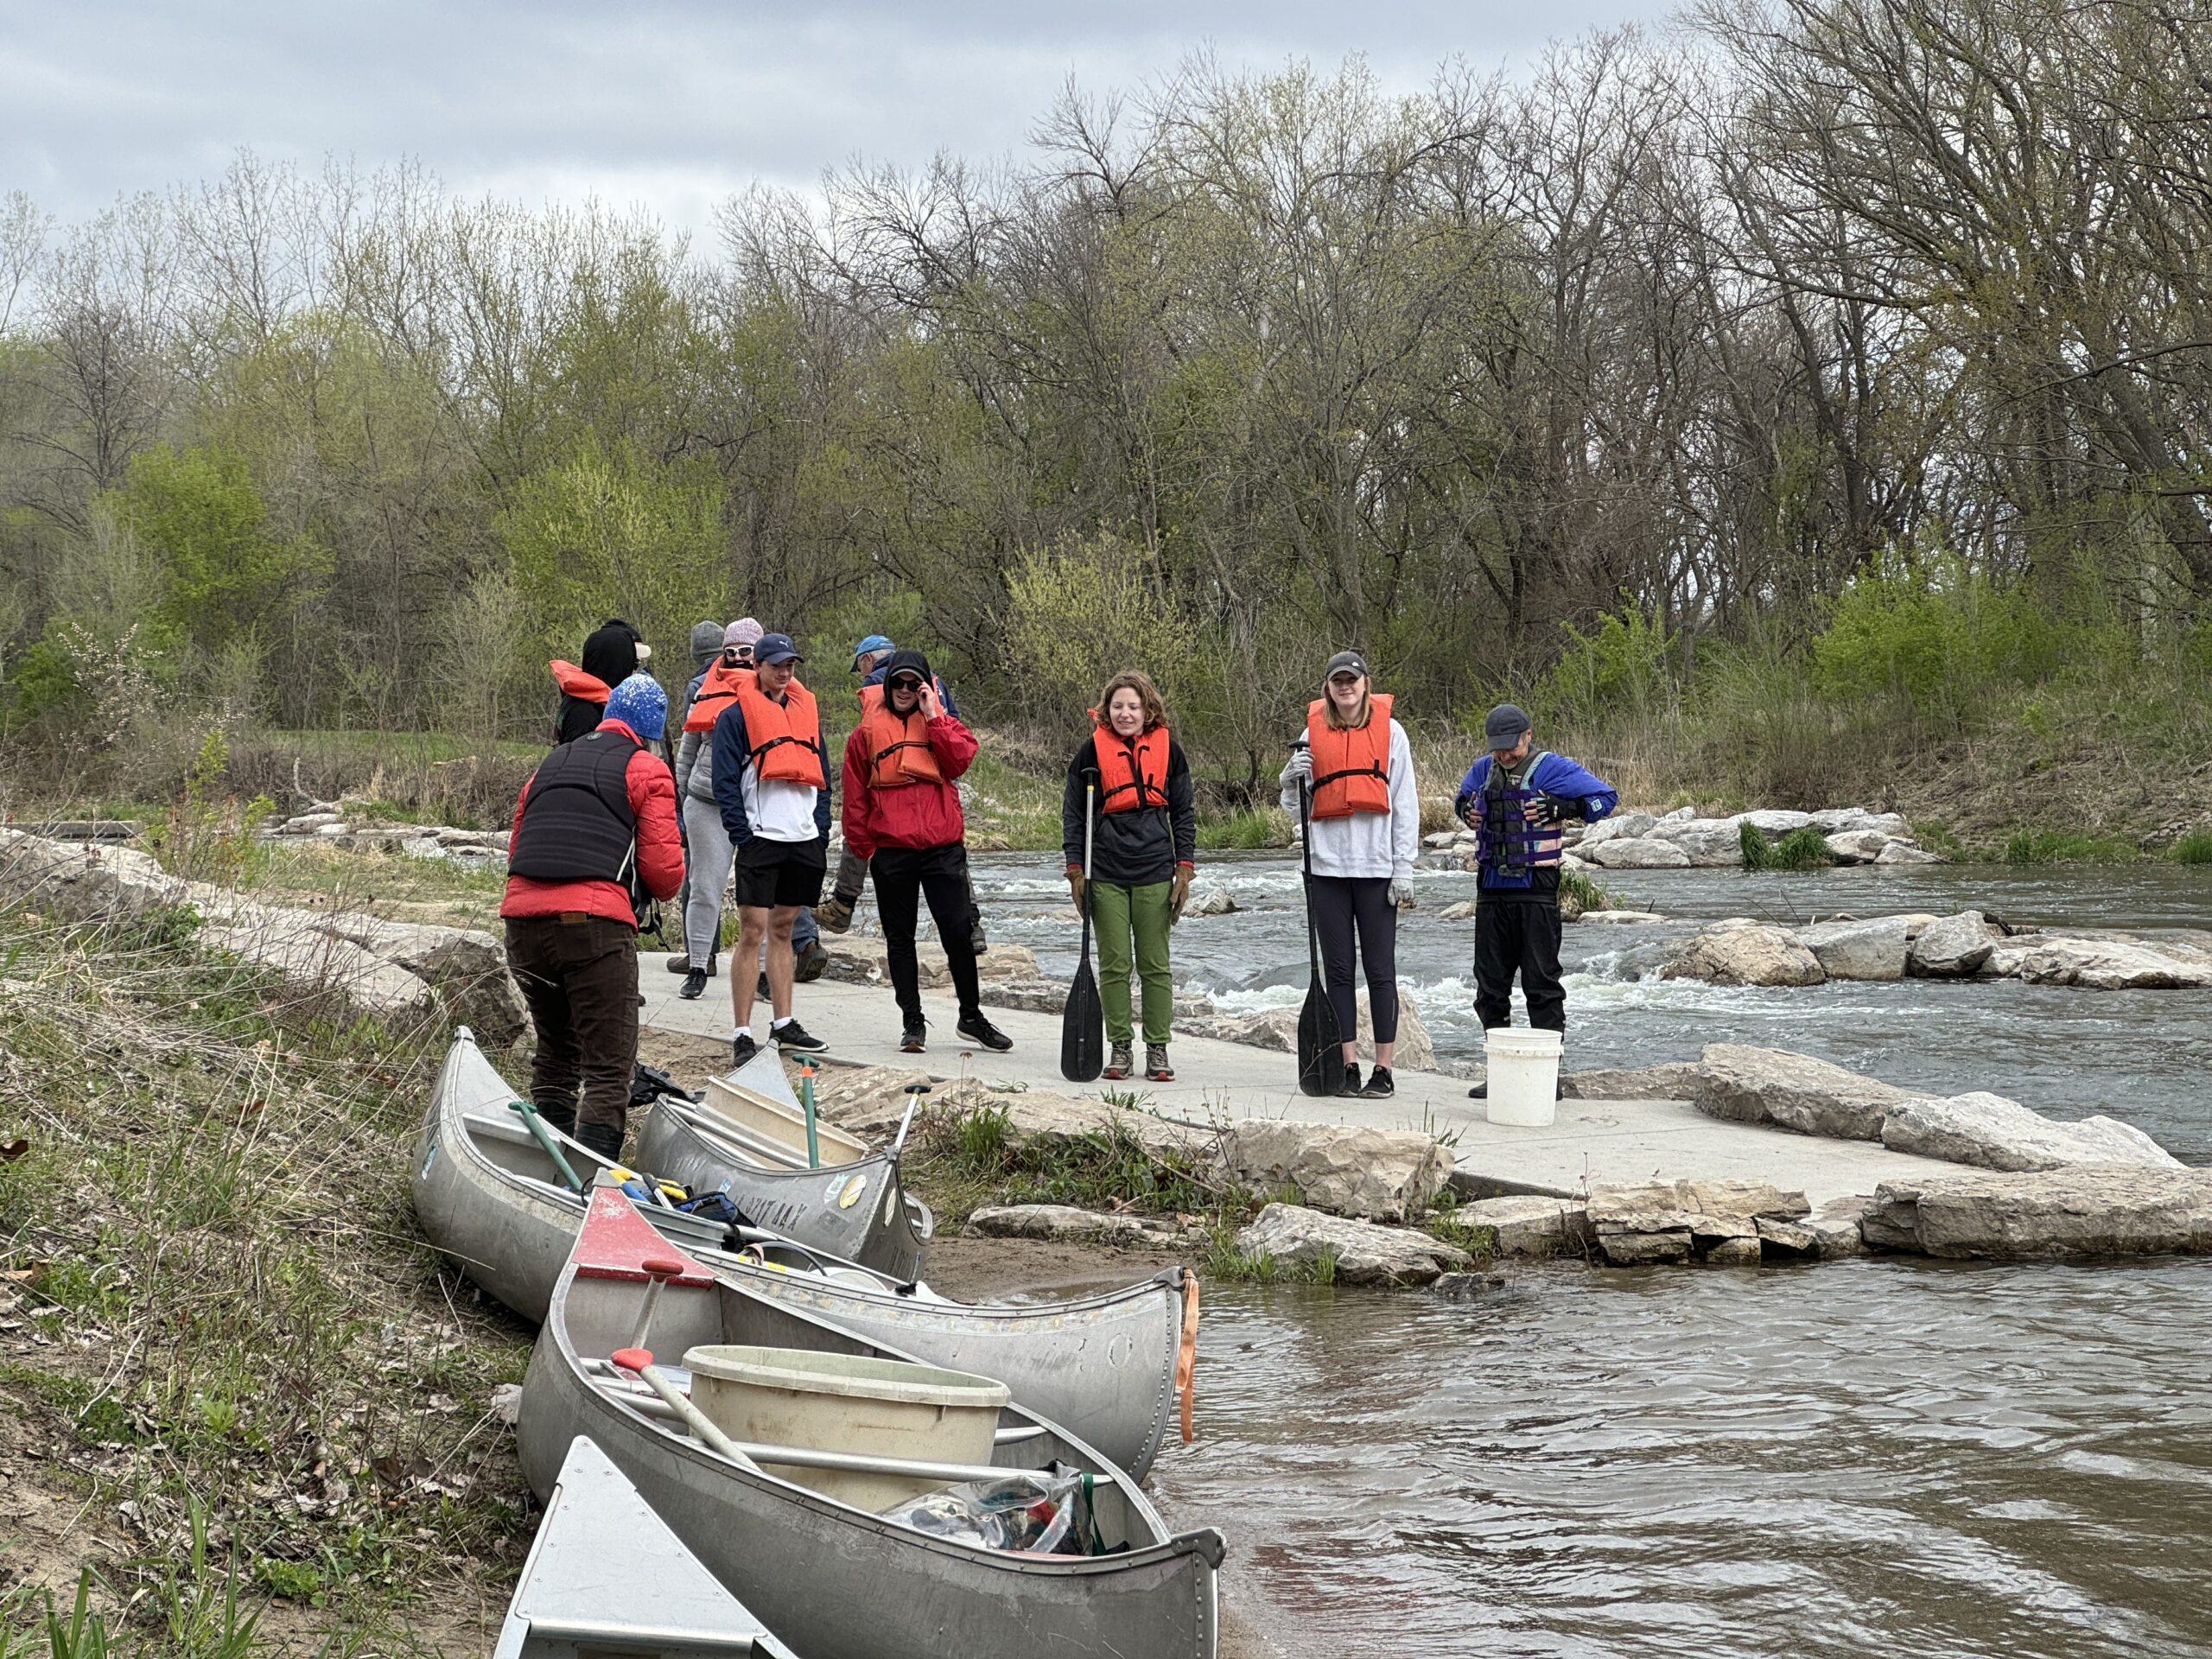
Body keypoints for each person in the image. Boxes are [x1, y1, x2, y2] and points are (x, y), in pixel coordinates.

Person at [501, 671, 683, 1160]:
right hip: (593, 927)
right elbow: (665, 876)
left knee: (557, 1051)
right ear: (652, 730)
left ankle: (547, 1165)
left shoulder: (549, 764)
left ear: (608, 717)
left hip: (521, 924)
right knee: (607, 1067)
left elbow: (518, 849)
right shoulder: (647, 769)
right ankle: (588, 1180)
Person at [840, 649, 1012, 1054]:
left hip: (942, 850)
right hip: (892, 851)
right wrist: (867, 850)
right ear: (887, 685)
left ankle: (970, 1017)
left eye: (911, 684)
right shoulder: (863, 734)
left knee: (959, 934)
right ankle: (912, 1022)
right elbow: (855, 801)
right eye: (897, 683)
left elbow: (959, 761)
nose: (903, 690)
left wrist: (933, 714)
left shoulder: (943, 722)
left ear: (924, 686)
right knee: (900, 939)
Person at [1452, 703, 1618, 1099]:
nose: (1505, 755)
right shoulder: (1482, 770)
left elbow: (1605, 799)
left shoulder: (1554, 769)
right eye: (1498, 749)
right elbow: (1462, 800)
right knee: (1490, 988)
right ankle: (1500, 1074)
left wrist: (1565, 807)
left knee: (1541, 985)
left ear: (1528, 736)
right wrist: (1466, 813)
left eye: (1511, 747)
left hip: (1537, 889)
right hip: (1491, 889)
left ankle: (1548, 1078)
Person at [1279, 651, 1420, 1098]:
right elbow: (1296, 810)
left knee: (1380, 971)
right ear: (1329, 687)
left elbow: (1405, 804)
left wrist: (1405, 868)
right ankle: (1347, 1066)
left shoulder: (1392, 734)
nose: (1346, 687)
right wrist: (1287, 782)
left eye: (1352, 680)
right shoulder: (1310, 735)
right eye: (1338, 681)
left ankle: (1384, 1070)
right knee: (1339, 972)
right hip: (1327, 871)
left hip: (1377, 870)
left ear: (1365, 684)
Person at [1063, 670, 1195, 1082]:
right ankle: (1120, 1047)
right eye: (1118, 706)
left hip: (1155, 867)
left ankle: (1157, 1048)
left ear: (1147, 709)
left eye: (1133, 706)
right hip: (1106, 872)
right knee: (1116, 964)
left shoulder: (1170, 751)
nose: (1125, 713)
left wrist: (1184, 870)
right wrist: (1075, 872)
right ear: (1107, 710)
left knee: (1155, 964)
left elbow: (1184, 813)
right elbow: (1073, 816)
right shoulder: (1089, 754)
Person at [711, 632, 832, 1065]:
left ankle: (784, 1024)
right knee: (752, 932)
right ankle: (742, 1032)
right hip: (760, 838)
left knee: (784, 930)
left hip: (802, 840)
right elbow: (724, 782)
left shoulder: (805, 712)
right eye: (777, 665)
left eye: (791, 666)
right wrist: (742, 834)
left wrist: (820, 828)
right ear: (758, 666)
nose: (784, 673)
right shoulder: (734, 717)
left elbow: (823, 775)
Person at [821, 634, 982, 954]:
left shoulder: (881, 684)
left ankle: (843, 905)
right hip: (940, 778)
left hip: (891, 787)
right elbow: (955, 726)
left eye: (861, 668)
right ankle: (973, 925)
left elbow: (866, 742)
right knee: (952, 853)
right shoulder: (934, 681)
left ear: (868, 660)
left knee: (863, 832)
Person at [671, 620, 760, 998]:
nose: (738, 658)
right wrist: (680, 798)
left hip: (760, 807)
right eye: (732, 651)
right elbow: (688, 748)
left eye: (746, 651)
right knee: (704, 890)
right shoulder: (704, 691)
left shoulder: (782, 693)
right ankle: (697, 965)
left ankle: (765, 974)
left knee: (760, 896)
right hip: (707, 802)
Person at [550, 618, 641, 745]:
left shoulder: (580, 699)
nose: (633, 671)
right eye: (632, 663)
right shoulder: (585, 714)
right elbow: (579, 762)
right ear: (619, 665)